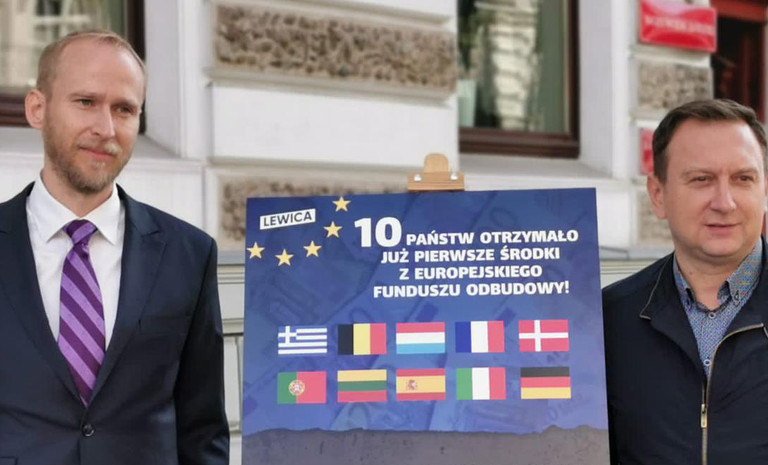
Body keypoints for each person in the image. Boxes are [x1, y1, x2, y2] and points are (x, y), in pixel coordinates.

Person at [0, 30, 229, 464]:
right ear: (37, 109)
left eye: (124, 109)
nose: (106, 129)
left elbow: (202, 429)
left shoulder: (189, 254)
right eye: (86, 101)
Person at [603, 99, 768, 465]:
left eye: (743, 178)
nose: (724, 202)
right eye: (701, 179)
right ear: (658, 195)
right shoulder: (606, 321)